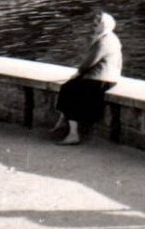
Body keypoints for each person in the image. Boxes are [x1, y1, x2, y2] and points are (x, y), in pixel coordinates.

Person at [51, 11, 122, 146]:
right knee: (69, 87)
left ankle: (72, 133)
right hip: (105, 78)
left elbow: (89, 62)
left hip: (100, 80)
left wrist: (78, 73)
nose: (93, 26)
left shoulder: (104, 41)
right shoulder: (111, 38)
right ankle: (63, 122)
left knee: (69, 90)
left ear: (103, 25)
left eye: (96, 24)